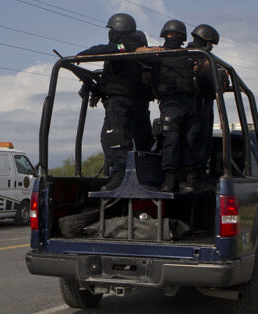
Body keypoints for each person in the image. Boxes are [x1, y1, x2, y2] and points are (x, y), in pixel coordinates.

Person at [77, 13, 150, 191]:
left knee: (114, 137)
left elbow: (106, 49)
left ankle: (120, 175)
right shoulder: (127, 50)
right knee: (138, 138)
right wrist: (98, 91)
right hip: (132, 100)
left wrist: (82, 55)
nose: (110, 33)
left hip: (122, 101)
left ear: (119, 29)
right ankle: (138, 174)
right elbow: (112, 76)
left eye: (112, 30)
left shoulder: (128, 44)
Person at [138, 20, 198, 192]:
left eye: (177, 35)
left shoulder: (189, 54)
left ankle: (188, 178)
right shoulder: (158, 54)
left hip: (189, 102)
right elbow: (137, 52)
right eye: (170, 34)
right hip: (170, 102)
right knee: (171, 140)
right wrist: (150, 50)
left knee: (190, 140)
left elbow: (203, 65)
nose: (173, 37)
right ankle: (169, 178)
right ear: (165, 35)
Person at [186, 24, 220, 190]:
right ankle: (193, 176)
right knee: (197, 140)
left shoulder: (198, 56)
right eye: (210, 44)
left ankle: (197, 175)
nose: (211, 47)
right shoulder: (194, 55)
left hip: (202, 103)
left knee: (202, 141)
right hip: (196, 104)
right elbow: (203, 77)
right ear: (207, 41)